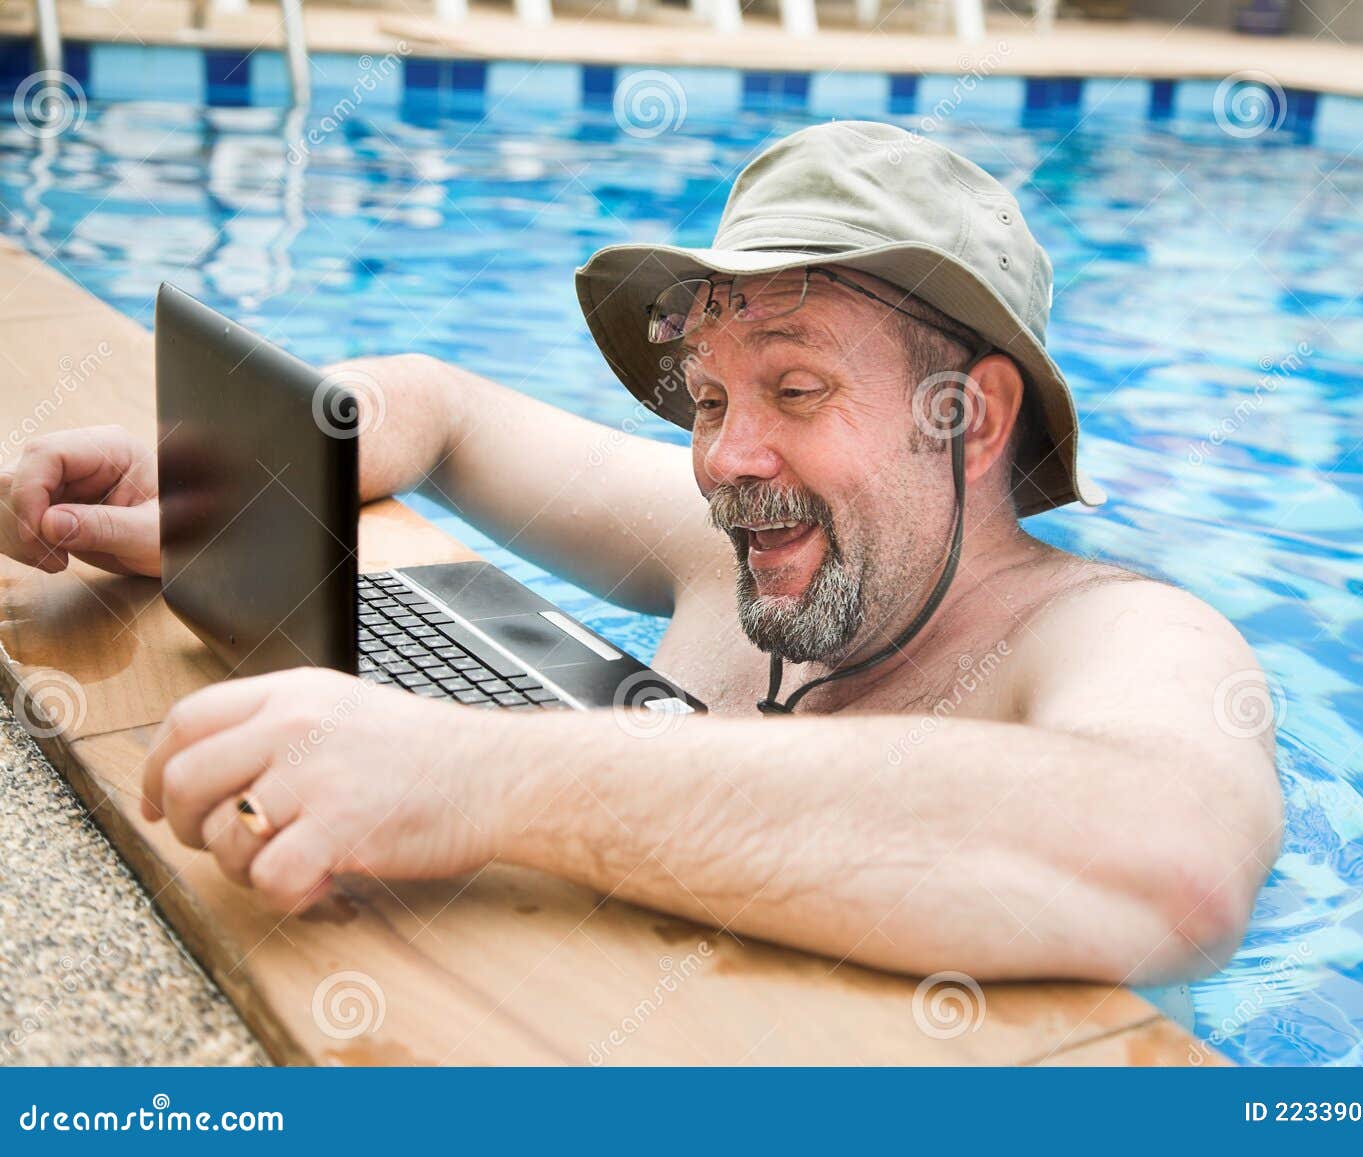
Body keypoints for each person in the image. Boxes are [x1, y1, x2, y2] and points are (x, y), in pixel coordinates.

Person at [0, 122, 1280, 985]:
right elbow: (443, 405)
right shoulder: (742, 550)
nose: (723, 459)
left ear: (971, 416)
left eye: (794, 386)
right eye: (710, 398)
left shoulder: (1117, 635)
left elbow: (1170, 854)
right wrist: (232, 477)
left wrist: (481, 776)